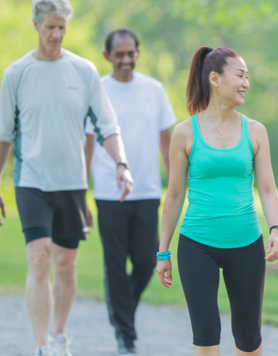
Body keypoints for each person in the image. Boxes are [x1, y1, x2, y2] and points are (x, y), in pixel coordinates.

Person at [0, 1, 132, 356]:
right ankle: (40, 346)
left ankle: (59, 336)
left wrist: (121, 163)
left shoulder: (83, 71)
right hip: (32, 182)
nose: (56, 34)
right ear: (35, 24)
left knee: (66, 265)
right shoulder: (16, 73)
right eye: (50, 27)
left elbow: (107, 125)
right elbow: (3, 135)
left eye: (62, 28)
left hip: (72, 184)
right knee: (38, 258)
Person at [155, 46, 278, 356]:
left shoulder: (255, 131)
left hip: (247, 243)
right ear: (214, 78)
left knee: (249, 337)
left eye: (247, 77)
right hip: (197, 243)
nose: (245, 83)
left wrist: (276, 228)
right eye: (239, 75)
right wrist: (163, 251)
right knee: (206, 332)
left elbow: (267, 188)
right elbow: (173, 195)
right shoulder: (184, 133)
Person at [84, 29, 177, 355]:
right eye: (119, 54)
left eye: (131, 53)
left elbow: (168, 140)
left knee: (144, 260)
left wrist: (175, 182)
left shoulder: (154, 89)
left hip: (148, 190)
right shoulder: (97, 91)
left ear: (138, 53)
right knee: (114, 264)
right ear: (107, 56)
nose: (126, 59)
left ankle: (122, 312)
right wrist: (83, 192)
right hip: (109, 192)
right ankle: (126, 334)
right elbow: (88, 143)